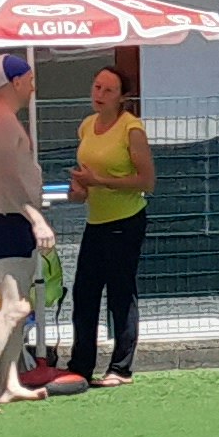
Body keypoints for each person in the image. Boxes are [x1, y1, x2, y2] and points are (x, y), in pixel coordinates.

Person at [0, 52, 55, 412]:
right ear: (16, 81)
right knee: (14, 308)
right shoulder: (0, 121)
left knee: (20, 307)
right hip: (7, 222)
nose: (33, 86)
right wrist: (37, 219)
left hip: (10, 221)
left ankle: (10, 383)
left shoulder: (3, 119)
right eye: (30, 80)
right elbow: (8, 180)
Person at [69, 64, 152, 387]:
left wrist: (99, 180)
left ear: (122, 97)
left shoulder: (132, 129)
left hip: (126, 221)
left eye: (108, 90)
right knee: (84, 293)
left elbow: (147, 180)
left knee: (120, 293)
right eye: (96, 87)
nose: (99, 94)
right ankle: (80, 365)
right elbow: (83, 183)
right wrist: (79, 190)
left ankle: (120, 368)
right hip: (96, 220)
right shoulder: (87, 126)